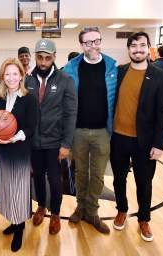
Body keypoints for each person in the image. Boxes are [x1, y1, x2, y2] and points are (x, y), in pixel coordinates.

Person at [110, 32, 163, 242]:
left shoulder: (160, 77)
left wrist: (159, 144)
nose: (138, 49)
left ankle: (144, 219)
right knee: (119, 179)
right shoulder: (118, 73)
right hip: (118, 138)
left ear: (149, 48)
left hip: (144, 142)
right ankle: (122, 210)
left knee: (144, 183)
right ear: (128, 49)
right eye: (134, 45)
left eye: (142, 45)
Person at [63, 26, 117, 234]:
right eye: (88, 42)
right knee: (80, 172)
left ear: (100, 41)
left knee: (98, 175)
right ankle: (80, 207)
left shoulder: (111, 67)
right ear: (81, 45)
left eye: (96, 41)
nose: (93, 46)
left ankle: (92, 212)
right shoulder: (71, 68)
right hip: (78, 132)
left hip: (103, 131)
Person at [26, 39, 77, 235]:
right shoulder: (27, 80)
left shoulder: (65, 80)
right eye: (40, 57)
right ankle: (41, 206)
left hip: (55, 142)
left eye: (48, 58)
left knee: (56, 181)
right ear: (35, 57)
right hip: (34, 143)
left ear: (54, 57)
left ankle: (55, 214)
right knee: (37, 177)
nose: (43, 62)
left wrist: (66, 143)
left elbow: (71, 114)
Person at [0, 58, 38, 252]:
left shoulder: (29, 98)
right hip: (2, 150)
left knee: (19, 189)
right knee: (7, 188)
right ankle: (13, 220)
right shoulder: (0, 98)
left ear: (22, 75)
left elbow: (31, 127)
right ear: (3, 77)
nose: (11, 78)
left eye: (15, 73)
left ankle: (20, 227)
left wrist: (13, 138)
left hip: (19, 150)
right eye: (7, 74)